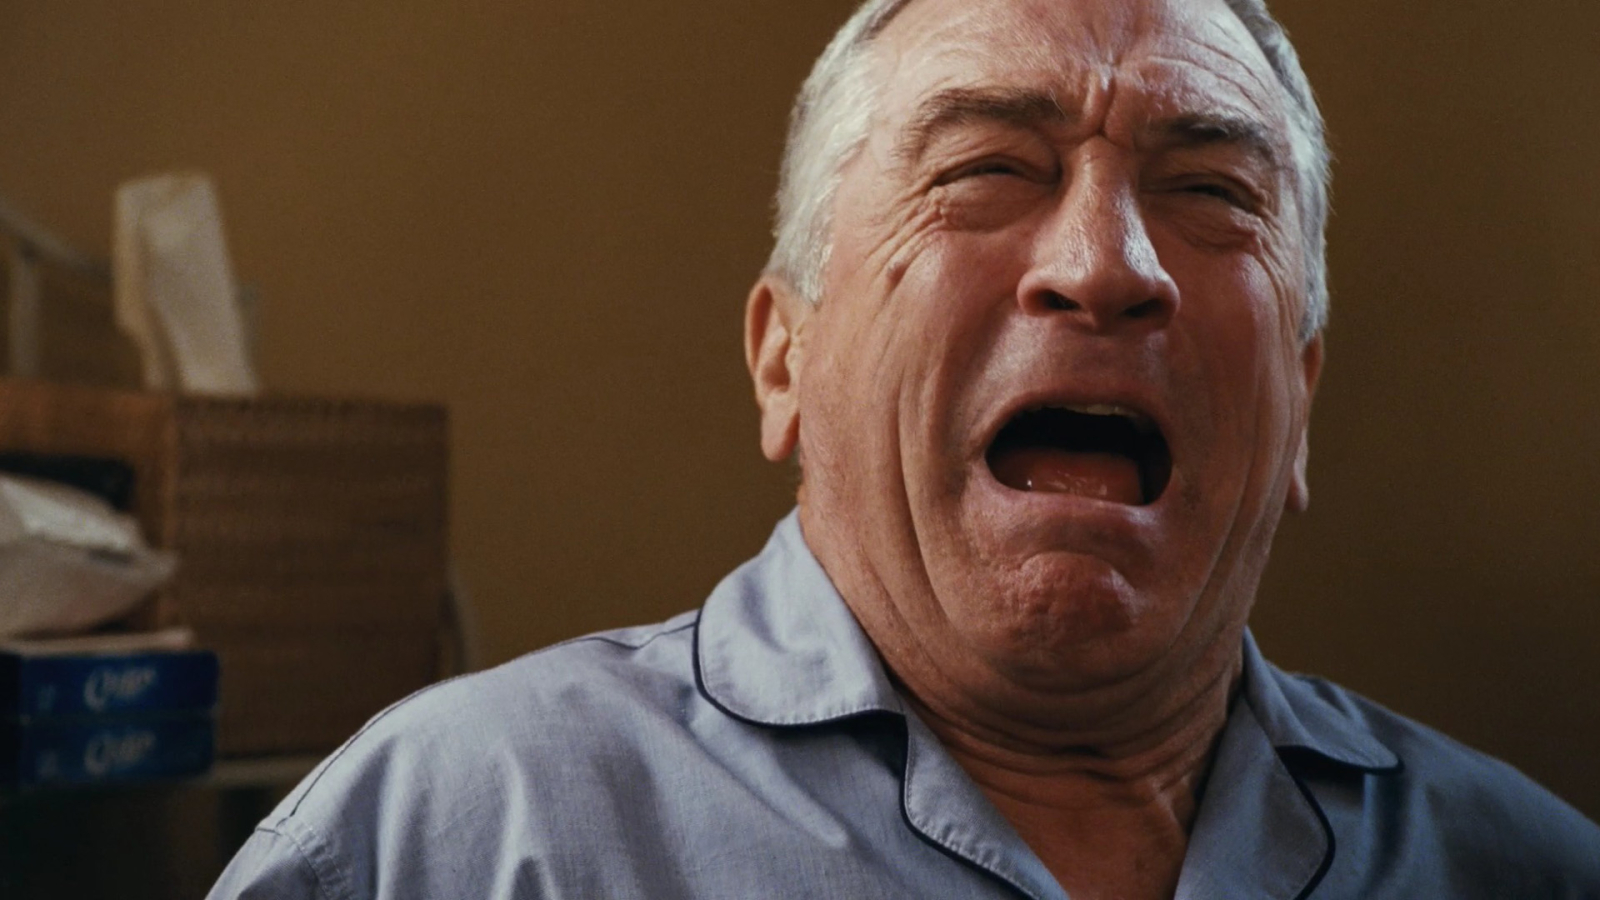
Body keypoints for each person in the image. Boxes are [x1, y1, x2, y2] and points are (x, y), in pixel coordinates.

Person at [208, 0, 1600, 896]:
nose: (1105, 266)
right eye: (988, 170)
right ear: (785, 357)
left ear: (1298, 396)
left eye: (1210, 191)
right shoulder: (446, 837)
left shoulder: (1522, 867)